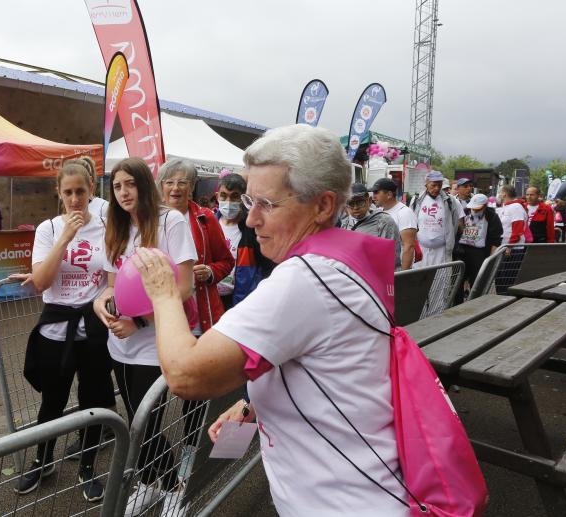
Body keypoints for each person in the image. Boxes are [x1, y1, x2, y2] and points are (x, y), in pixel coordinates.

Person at [130, 124, 407, 516]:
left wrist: (162, 290)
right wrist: (255, 404)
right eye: (247, 200)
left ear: (324, 206)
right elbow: (325, 361)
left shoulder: (306, 279)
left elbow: (185, 376)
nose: (249, 219)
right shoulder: (347, 258)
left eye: (266, 204)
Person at [92, 157, 196, 515]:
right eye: (117, 186)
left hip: (156, 341)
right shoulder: (116, 228)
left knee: (145, 422)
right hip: (119, 343)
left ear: (144, 186)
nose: (123, 192)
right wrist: (100, 306)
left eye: (130, 184)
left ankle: (174, 487)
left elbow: (184, 287)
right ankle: (154, 482)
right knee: (134, 418)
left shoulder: (171, 221)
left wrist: (141, 322)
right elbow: (109, 286)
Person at [14, 160, 115, 502]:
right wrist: (66, 237)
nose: (75, 199)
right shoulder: (48, 229)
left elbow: (112, 280)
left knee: (93, 400)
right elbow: (41, 281)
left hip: (93, 326)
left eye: (81, 191)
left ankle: (87, 467)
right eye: (68, 192)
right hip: (56, 326)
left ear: (92, 190)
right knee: (52, 402)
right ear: (58, 192)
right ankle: (43, 461)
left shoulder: (106, 225)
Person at [157, 159, 234, 484]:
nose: (176, 188)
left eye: (182, 183)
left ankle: (192, 451)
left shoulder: (204, 219)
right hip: (157, 319)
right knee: (154, 396)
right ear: (160, 186)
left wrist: (209, 272)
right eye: (170, 182)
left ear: (191, 187)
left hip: (201, 315)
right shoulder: (147, 218)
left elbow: (226, 261)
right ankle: (152, 465)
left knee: (197, 392)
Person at [215, 172, 275, 309]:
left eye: (234, 197)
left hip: (240, 302)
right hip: (211, 299)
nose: (228, 202)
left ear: (243, 199)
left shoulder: (253, 230)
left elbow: (267, 268)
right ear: (217, 196)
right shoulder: (208, 224)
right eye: (224, 196)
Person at [453, 194, 503, 304]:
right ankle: (457, 304)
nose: (475, 210)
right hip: (462, 251)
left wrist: (490, 259)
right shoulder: (464, 212)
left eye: (478, 208)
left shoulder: (492, 216)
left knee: (478, 281)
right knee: (458, 281)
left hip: (479, 253)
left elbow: (496, 239)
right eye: (473, 208)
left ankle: (476, 304)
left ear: (485, 206)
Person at [341, 183, 402, 269]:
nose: (355, 208)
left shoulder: (384, 222)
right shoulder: (345, 224)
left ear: (369, 201)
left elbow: (391, 259)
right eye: (351, 203)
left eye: (359, 202)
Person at [410, 170, 462, 267]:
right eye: (433, 185)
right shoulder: (416, 200)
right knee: (421, 278)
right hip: (421, 250)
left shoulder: (450, 201)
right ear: (426, 184)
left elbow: (455, 223)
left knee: (440, 279)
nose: (437, 188)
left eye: (439, 185)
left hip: (442, 252)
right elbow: (412, 221)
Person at [371, 178, 417, 270]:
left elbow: (409, 247)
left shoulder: (404, 213)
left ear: (389, 194)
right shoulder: (379, 211)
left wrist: (403, 275)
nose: (373, 197)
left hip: (397, 271)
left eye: (376, 192)